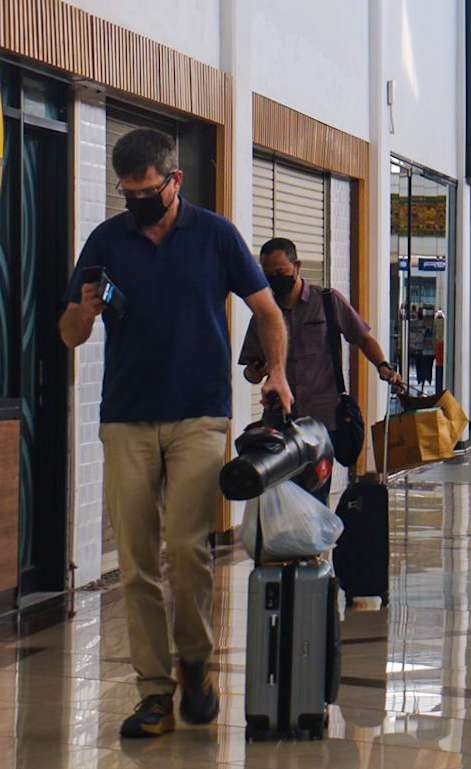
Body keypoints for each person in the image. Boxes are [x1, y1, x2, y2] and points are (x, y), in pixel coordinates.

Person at [58, 129, 293, 739]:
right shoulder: (107, 241)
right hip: (126, 418)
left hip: (199, 414)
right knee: (137, 561)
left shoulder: (214, 235)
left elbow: (267, 311)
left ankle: (195, 662)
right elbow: (69, 335)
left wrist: (280, 377)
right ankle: (154, 693)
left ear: (174, 181)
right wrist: (85, 309)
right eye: (127, 192)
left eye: (147, 191)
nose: (137, 202)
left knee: (186, 549)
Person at [239, 237, 403, 503]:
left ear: (297, 266)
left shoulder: (327, 301)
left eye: (280, 272)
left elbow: (362, 337)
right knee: (280, 496)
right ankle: (285, 544)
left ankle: (313, 545)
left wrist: (383, 366)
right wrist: (257, 371)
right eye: (267, 274)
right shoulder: (264, 313)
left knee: (315, 494)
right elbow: (250, 372)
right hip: (280, 421)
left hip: (323, 421)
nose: (274, 279)